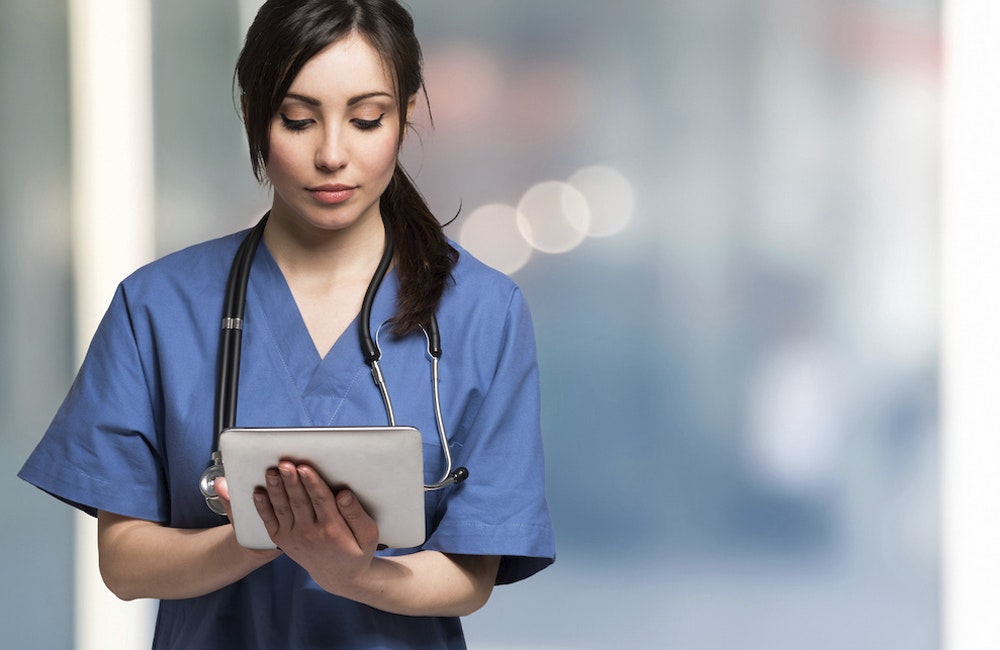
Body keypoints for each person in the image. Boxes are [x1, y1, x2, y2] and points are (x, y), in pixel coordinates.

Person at [18, 0, 555, 647]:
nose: (333, 154)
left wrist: (352, 571)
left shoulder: (481, 311)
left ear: (408, 110)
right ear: (253, 112)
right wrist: (263, 536)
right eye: (298, 120)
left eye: (366, 118)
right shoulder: (158, 306)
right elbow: (125, 563)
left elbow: (473, 571)